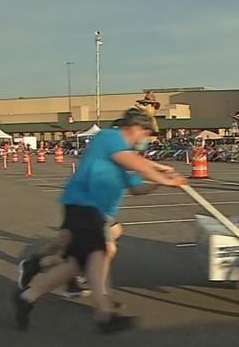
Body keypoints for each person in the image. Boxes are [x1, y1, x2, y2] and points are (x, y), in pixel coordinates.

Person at [13, 109, 187, 333]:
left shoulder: (126, 154)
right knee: (99, 253)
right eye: (145, 132)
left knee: (76, 262)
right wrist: (165, 176)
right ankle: (104, 314)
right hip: (84, 205)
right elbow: (137, 164)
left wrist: (162, 182)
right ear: (133, 127)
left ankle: (27, 297)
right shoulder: (109, 138)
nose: (145, 138)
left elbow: (138, 188)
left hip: (94, 212)